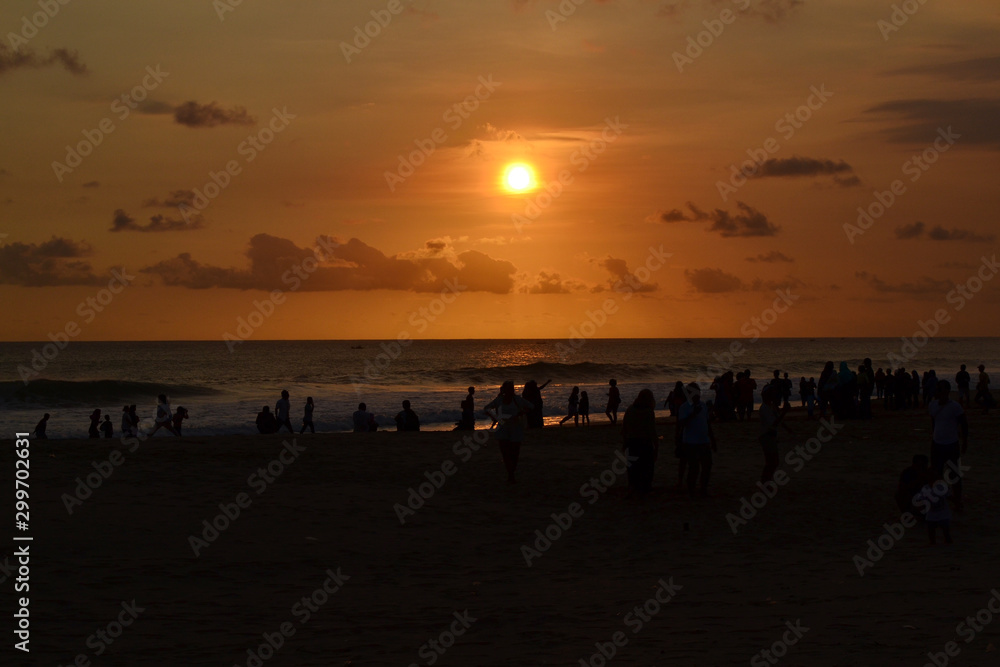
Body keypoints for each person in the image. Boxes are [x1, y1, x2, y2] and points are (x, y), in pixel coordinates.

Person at [928, 380, 968, 511]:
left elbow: (964, 423)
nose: (937, 392)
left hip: (951, 444)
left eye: (940, 389)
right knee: (936, 474)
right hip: (937, 444)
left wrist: (965, 442)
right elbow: (934, 422)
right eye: (937, 389)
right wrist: (933, 436)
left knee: (954, 474)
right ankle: (939, 499)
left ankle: (957, 500)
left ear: (947, 391)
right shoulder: (932, 405)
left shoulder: (955, 406)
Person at [484, 380, 533, 483]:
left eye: (512, 388)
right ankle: (510, 475)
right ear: (504, 389)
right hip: (502, 429)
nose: (511, 390)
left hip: (516, 428)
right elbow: (486, 409)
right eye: (509, 388)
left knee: (515, 454)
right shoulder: (499, 400)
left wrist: (521, 413)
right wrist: (495, 417)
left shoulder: (517, 400)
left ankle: (511, 473)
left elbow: (531, 407)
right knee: (505, 454)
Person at [677, 383, 717, 497]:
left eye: (698, 392)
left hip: (704, 441)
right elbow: (681, 424)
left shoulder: (703, 406)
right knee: (694, 468)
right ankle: (691, 490)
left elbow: (707, 424)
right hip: (690, 442)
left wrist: (712, 440)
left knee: (707, 466)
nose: (697, 395)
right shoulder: (684, 407)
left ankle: (703, 488)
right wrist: (693, 414)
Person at [621, 389, 658, 499]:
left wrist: (625, 443)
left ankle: (632, 489)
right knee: (647, 468)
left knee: (633, 468)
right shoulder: (648, 412)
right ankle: (645, 490)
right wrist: (656, 447)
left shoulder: (630, 410)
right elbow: (652, 432)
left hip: (632, 442)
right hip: (645, 443)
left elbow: (624, 429)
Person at [758, 386, 791, 483]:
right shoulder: (764, 408)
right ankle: (764, 481)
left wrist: (788, 429)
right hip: (766, 436)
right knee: (772, 462)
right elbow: (773, 424)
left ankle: (765, 481)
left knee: (773, 462)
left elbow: (777, 421)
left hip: (769, 436)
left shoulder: (770, 406)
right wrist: (784, 412)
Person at [917, 471, 952, 545]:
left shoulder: (942, 487)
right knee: (931, 529)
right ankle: (932, 542)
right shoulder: (926, 488)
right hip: (932, 513)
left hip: (943, 512)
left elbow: (949, 496)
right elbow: (920, 499)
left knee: (945, 529)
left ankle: (947, 540)